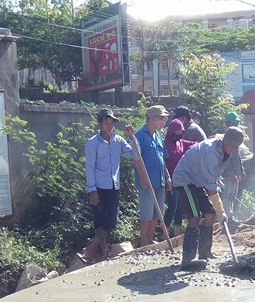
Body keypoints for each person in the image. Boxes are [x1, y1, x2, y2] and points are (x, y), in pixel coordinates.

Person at [172, 127, 245, 269]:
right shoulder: (211, 151)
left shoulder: (225, 152)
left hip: (198, 181)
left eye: (236, 147)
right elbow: (211, 188)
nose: (234, 150)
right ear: (225, 141)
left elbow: (212, 177)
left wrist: (216, 210)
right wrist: (221, 210)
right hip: (185, 179)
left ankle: (204, 253)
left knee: (210, 215)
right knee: (195, 216)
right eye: (233, 146)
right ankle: (188, 259)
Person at [83, 108, 149, 263]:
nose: (109, 126)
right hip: (98, 187)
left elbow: (135, 153)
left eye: (111, 123)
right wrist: (91, 189)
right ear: (99, 124)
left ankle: (90, 248)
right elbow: (90, 167)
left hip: (114, 186)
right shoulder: (93, 143)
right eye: (106, 123)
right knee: (99, 220)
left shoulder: (118, 140)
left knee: (111, 220)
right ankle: (102, 252)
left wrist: (132, 137)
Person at [134, 105, 172, 248]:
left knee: (157, 214)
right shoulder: (139, 135)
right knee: (146, 214)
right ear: (152, 118)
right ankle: (143, 241)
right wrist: (143, 177)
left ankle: (150, 239)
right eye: (161, 118)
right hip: (146, 182)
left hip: (159, 181)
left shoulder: (159, 137)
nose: (163, 122)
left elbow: (163, 160)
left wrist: (167, 176)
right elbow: (136, 159)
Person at [163, 118, 197, 237]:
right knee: (172, 206)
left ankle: (177, 234)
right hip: (169, 180)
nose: (179, 135)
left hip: (180, 180)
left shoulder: (181, 142)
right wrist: (167, 178)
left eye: (181, 132)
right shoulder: (165, 143)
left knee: (180, 208)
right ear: (171, 131)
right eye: (176, 132)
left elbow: (195, 144)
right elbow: (163, 162)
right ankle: (165, 234)